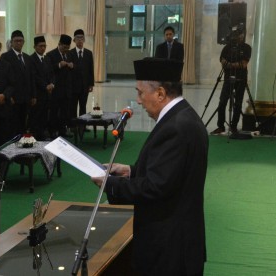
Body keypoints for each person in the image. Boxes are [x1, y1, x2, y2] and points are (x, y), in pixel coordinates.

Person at [91, 58, 208, 275]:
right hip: (175, 240)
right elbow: (169, 173)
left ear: (161, 94)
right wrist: (130, 171)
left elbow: (156, 187)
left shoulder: (176, 127)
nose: (138, 101)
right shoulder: (182, 116)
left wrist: (112, 185)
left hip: (170, 248)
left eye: (140, 93)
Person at [210, 29, 251, 135]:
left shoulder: (247, 48)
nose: (237, 38)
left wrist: (230, 64)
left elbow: (244, 64)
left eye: (239, 36)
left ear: (242, 36)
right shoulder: (227, 47)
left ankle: (233, 127)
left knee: (238, 103)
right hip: (228, 79)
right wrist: (234, 64)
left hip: (241, 79)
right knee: (222, 101)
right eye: (236, 36)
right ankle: (221, 126)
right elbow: (222, 61)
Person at [0, 30, 36, 136]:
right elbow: (4, 79)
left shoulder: (27, 58)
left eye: (20, 41)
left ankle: (22, 143)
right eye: (16, 41)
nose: (19, 43)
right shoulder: (5, 57)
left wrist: (33, 95)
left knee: (23, 123)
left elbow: (31, 77)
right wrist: (8, 96)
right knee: (12, 124)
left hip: (26, 97)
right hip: (13, 98)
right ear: (11, 42)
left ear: (24, 42)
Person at [45, 34, 74, 138]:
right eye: (64, 47)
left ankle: (63, 130)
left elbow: (71, 69)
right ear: (59, 44)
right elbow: (48, 70)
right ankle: (53, 131)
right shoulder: (51, 55)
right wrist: (58, 65)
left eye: (68, 47)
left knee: (65, 111)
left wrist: (71, 65)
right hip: (56, 89)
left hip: (66, 89)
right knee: (54, 111)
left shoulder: (69, 54)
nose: (66, 49)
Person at [29, 35, 54, 140]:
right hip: (37, 94)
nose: (43, 48)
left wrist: (52, 84)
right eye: (40, 46)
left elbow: (52, 74)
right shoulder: (31, 59)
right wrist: (45, 86)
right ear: (35, 47)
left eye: (44, 46)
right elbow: (34, 76)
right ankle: (35, 137)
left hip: (48, 94)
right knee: (36, 116)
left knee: (45, 116)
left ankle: (42, 135)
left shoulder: (47, 58)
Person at [68, 29, 94, 122]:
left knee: (83, 106)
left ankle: (82, 125)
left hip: (84, 85)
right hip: (74, 86)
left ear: (84, 40)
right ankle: (73, 125)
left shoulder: (88, 53)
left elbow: (91, 69)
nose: (80, 40)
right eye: (77, 38)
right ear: (74, 40)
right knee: (73, 106)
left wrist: (91, 84)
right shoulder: (70, 53)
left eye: (81, 38)